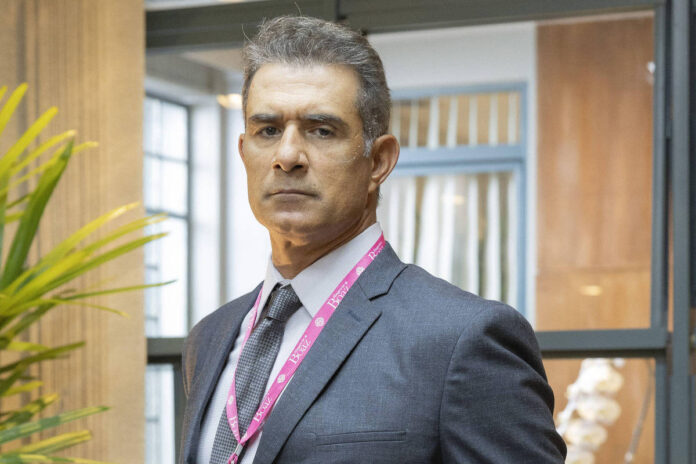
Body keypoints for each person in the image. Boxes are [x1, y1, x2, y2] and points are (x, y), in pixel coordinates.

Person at [180, 15, 567, 464]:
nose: (287, 156)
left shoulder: (460, 339)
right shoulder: (211, 338)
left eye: (321, 130)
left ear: (379, 161)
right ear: (244, 152)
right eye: (268, 130)